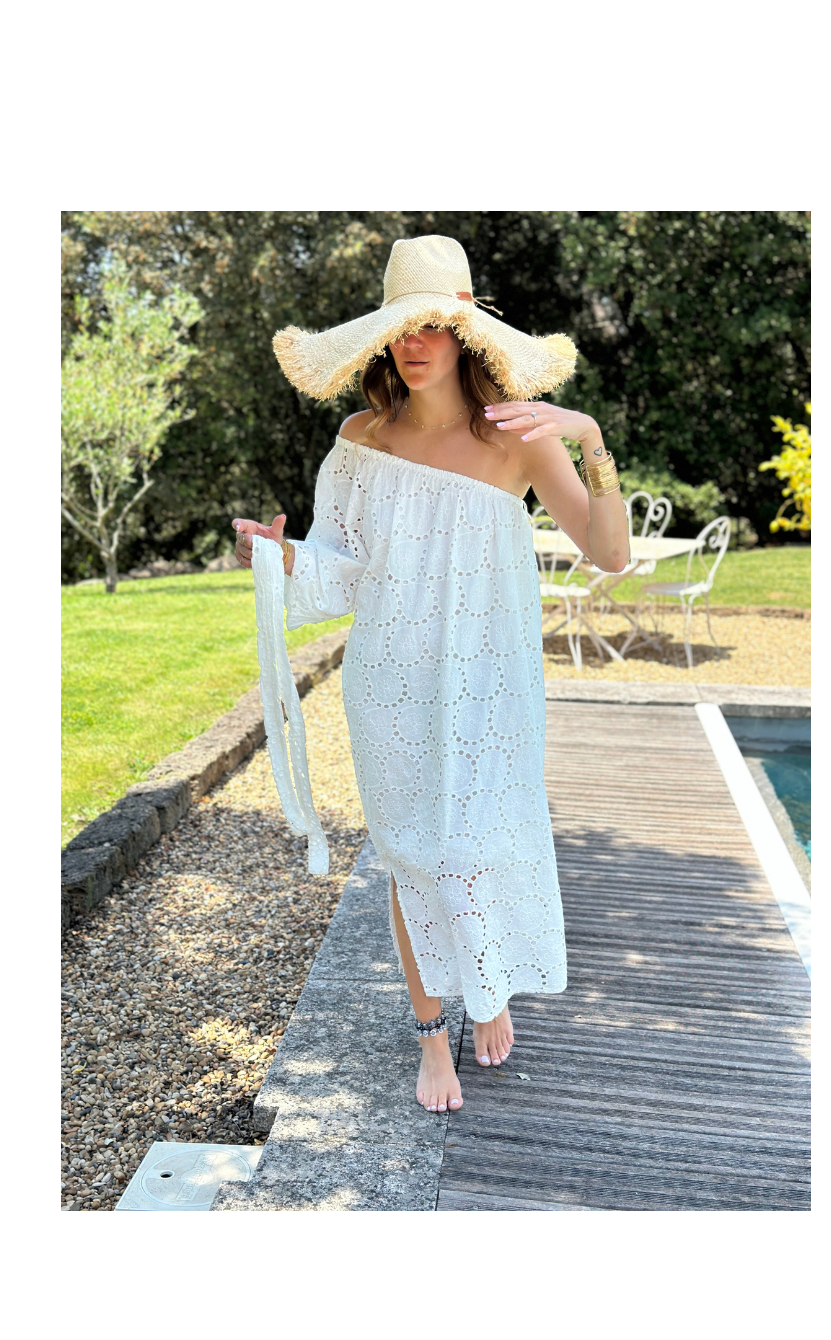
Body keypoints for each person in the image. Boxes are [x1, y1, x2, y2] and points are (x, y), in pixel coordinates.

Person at [233, 235, 630, 1114]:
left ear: (466, 336)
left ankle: (486, 987)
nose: (414, 345)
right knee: (414, 858)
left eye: (433, 327)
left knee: (473, 848)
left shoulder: (519, 438)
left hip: (489, 689)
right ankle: (431, 1041)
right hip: (390, 686)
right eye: (401, 329)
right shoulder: (360, 438)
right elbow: (340, 571)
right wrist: (278, 559)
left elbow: (609, 553)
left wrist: (590, 438)